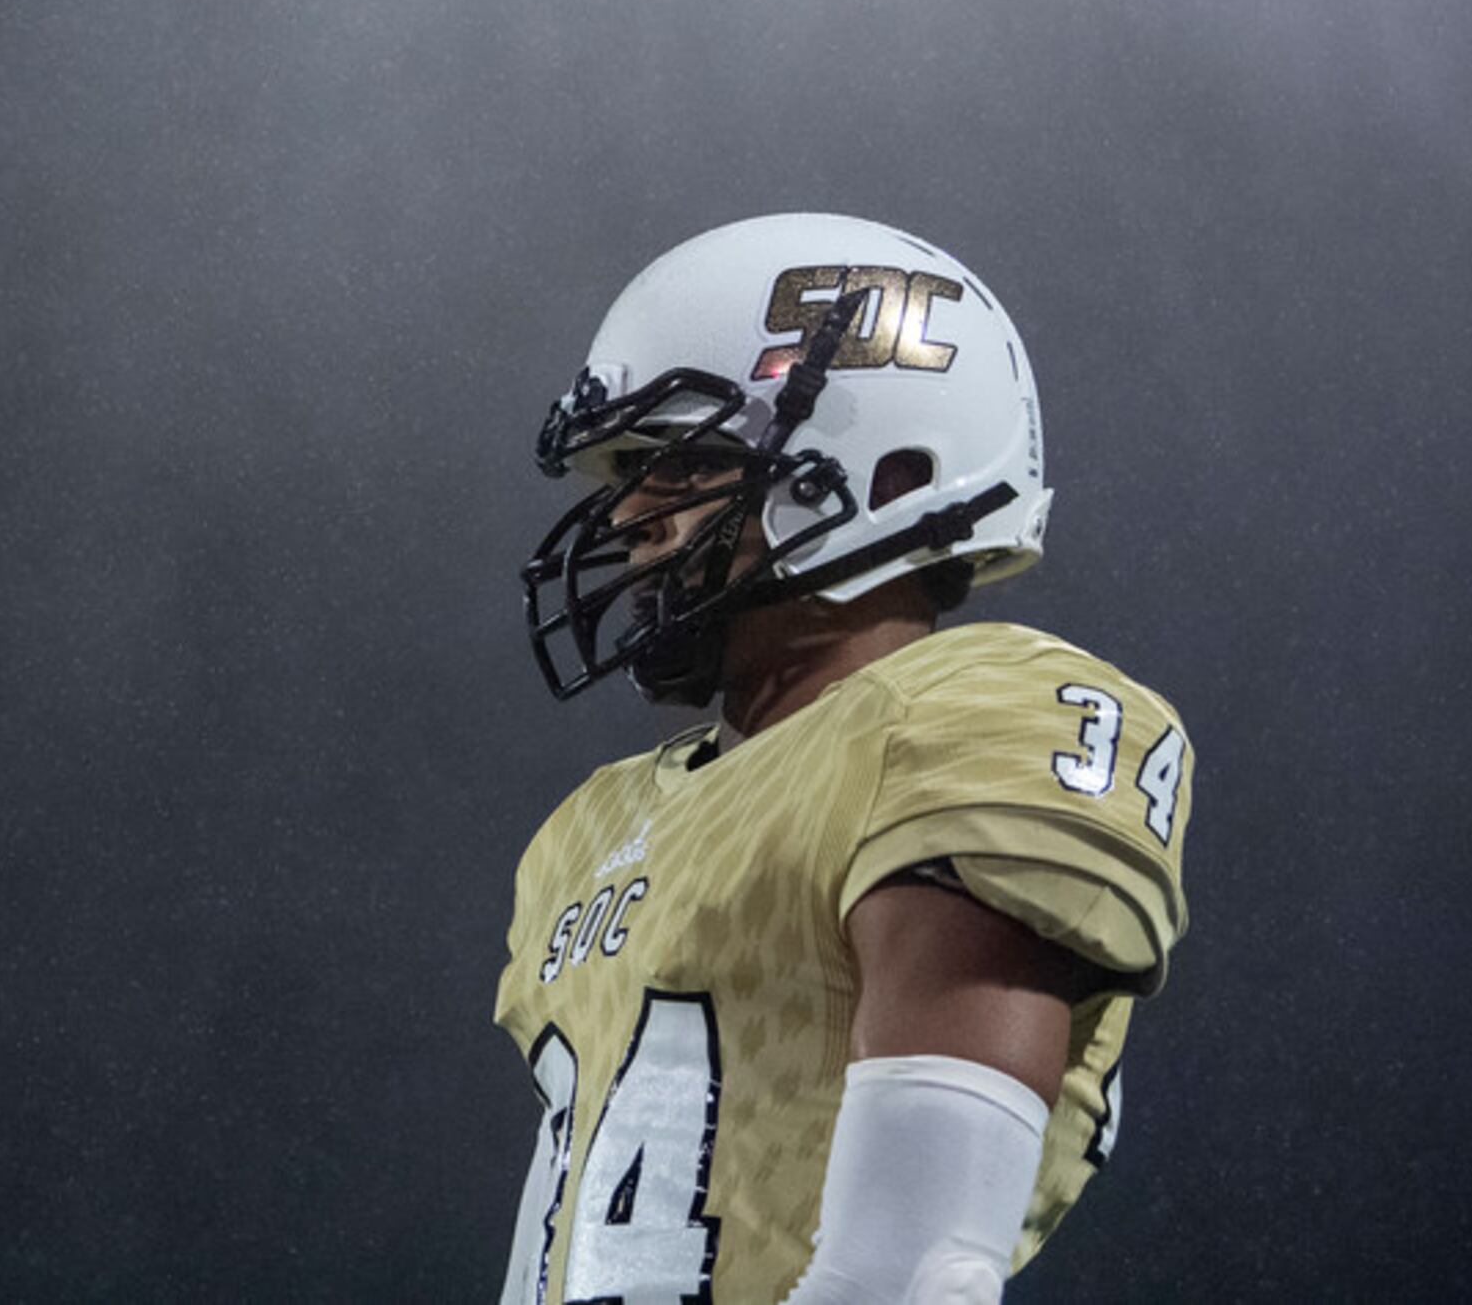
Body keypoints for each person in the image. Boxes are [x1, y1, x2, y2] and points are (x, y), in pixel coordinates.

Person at [496, 213, 1190, 1305]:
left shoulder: (962, 718)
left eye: (674, 464)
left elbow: (915, 1269)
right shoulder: (590, 826)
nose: (625, 515)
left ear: (882, 466)